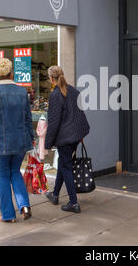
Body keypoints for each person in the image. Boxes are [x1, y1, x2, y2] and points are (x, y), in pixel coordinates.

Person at [0, 58, 35, 223]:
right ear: (12, 73)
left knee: (3, 176)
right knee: (16, 173)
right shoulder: (22, 92)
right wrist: (31, 138)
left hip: (1, 143)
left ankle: (8, 214)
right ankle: (24, 206)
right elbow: (27, 118)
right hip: (19, 141)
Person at [45, 66, 90, 213]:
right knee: (63, 163)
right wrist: (81, 136)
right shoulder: (74, 91)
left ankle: (74, 203)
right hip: (75, 136)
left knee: (66, 167)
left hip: (64, 138)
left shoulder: (55, 95)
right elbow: (80, 115)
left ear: (52, 79)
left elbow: (53, 122)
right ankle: (55, 194)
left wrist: (47, 144)